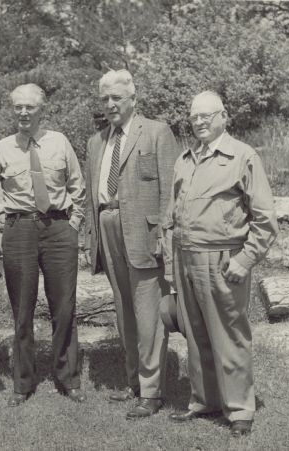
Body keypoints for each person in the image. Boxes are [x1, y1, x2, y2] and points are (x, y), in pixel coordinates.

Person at [165, 91, 278, 436]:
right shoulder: (185, 159)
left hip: (223, 260)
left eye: (206, 115)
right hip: (186, 258)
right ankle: (205, 401)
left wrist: (245, 260)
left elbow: (265, 218)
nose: (198, 121)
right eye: (194, 116)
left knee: (229, 334)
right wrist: (171, 267)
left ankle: (240, 409)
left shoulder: (242, 156)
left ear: (224, 116)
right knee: (197, 336)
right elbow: (171, 217)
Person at [0, 83, 86, 406]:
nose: (23, 113)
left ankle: (68, 378)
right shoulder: (3, 148)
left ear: (42, 109)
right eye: (18, 108)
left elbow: (78, 187)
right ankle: (23, 383)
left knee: (64, 307)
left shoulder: (60, 143)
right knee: (22, 310)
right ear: (13, 110)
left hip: (58, 229)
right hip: (19, 230)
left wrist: (74, 224)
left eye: (30, 107)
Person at [84, 70, 179, 419]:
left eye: (116, 98)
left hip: (144, 234)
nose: (110, 104)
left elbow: (171, 191)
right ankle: (134, 382)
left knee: (149, 315)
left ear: (133, 99)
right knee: (124, 313)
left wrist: (164, 239)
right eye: (105, 99)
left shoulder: (156, 132)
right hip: (108, 229)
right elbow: (90, 194)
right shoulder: (97, 142)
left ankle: (152, 393)